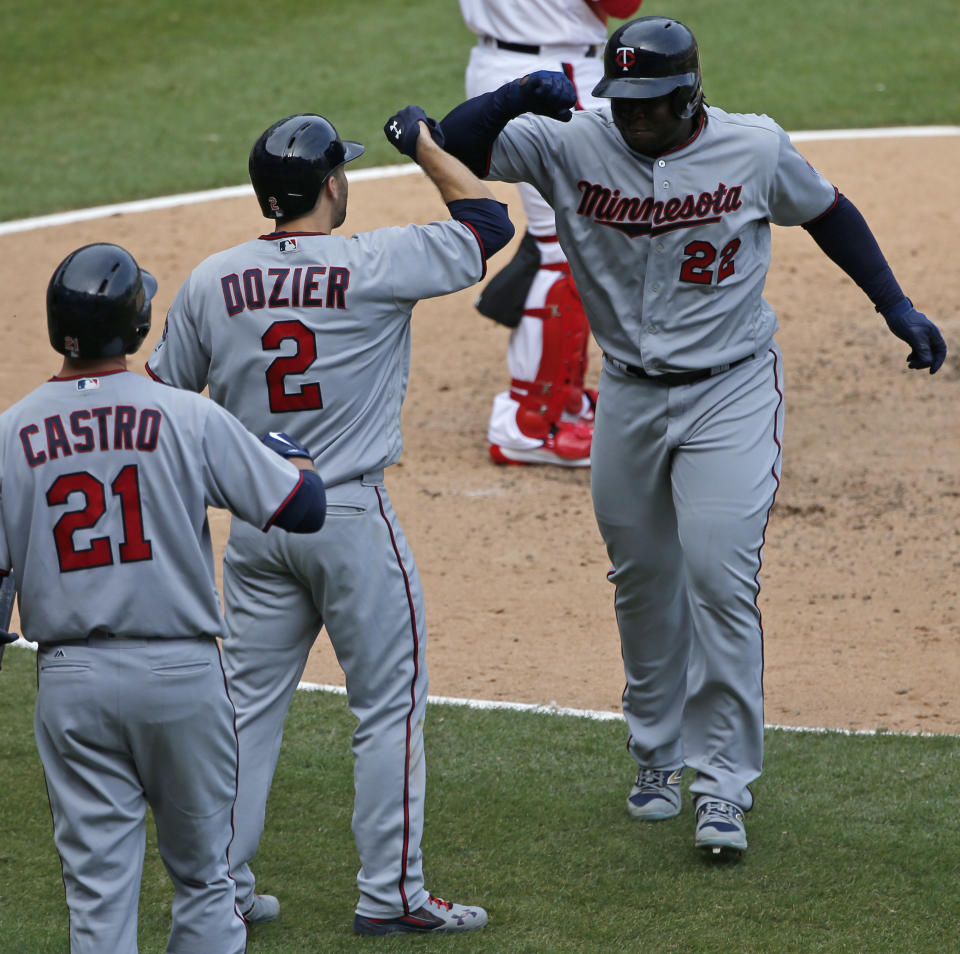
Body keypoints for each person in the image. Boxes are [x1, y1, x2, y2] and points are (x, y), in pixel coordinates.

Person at [432, 16, 947, 855]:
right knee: (641, 581)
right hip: (629, 395)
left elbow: (829, 211)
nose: (633, 120)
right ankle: (654, 753)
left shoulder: (752, 147)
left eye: (650, 106)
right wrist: (520, 94)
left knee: (718, 576)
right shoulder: (574, 142)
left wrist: (894, 305)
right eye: (622, 103)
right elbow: (451, 147)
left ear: (688, 95)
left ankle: (723, 786)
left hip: (732, 389)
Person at [146, 109, 513, 932]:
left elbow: (166, 402)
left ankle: (222, 894)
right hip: (348, 518)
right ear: (329, 186)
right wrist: (423, 145)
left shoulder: (211, 279)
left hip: (257, 529)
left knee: (243, 710)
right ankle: (393, 895)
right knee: (388, 707)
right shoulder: (374, 260)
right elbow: (489, 222)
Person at [0, 243, 327, 954]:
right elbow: (303, 509)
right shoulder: (184, 416)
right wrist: (290, 454)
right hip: (180, 676)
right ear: (137, 326)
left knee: (97, 898)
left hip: (71, 680)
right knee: (206, 881)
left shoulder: (9, 432)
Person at [459, 0, 643, 467]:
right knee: (567, 251)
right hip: (552, 75)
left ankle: (561, 398)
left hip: (500, 64)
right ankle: (531, 422)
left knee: (562, 241)